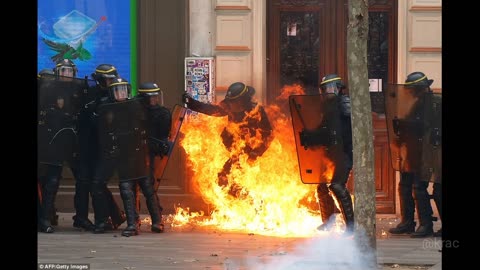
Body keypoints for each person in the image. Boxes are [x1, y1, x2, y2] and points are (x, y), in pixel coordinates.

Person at [182, 82, 274, 196]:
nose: (229, 104)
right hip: (236, 152)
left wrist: (256, 152)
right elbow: (211, 110)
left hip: (250, 154)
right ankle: (238, 204)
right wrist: (191, 103)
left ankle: (250, 206)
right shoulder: (229, 108)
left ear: (242, 101)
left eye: (233, 101)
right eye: (229, 101)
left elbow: (269, 134)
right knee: (223, 178)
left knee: (239, 182)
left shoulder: (256, 111)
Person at [75, 64, 126, 233]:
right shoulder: (89, 95)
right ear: (99, 80)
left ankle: (104, 219)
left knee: (97, 183)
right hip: (87, 145)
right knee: (86, 183)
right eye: (108, 79)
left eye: (113, 78)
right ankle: (92, 218)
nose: (111, 82)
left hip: (104, 148)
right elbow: (82, 120)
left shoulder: (116, 95)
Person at [115, 82, 170, 236]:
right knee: (127, 188)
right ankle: (133, 223)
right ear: (144, 98)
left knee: (147, 186)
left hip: (145, 154)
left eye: (156, 96)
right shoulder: (129, 110)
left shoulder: (162, 114)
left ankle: (157, 221)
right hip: (127, 153)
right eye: (152, 97)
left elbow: (162, 137)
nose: (155, 100)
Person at [387, 72, 439, 238]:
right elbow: (410, 124)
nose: (410, 93)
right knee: (404, 185)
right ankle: (407, 222)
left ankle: (426, 225)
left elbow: (430, 127)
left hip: (428, 153)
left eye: (412, 89)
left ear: (421, 89)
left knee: (419, 187)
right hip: (412, 151)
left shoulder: (435, 103)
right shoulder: (417, 104)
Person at [37, 59, 79, 233]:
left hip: (66, 142)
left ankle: (47, 217)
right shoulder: (48, 90)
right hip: (45, 142)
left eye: (69, 71)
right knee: (47, 182)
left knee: (53, 182)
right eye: (64, 71)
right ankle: (45, 218)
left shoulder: (77, 90)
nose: (67, 75)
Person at [312, 74, 355, 234]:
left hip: (345, 152)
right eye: (326, 89)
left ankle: (351, 226)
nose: (328, 91)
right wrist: (311, 136)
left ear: (338, 88)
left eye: (331, 88)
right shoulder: (328, 107)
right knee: (322, 186)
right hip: (331, 153)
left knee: (337, 185)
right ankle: (328, 222)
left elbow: (351, 129)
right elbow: (325, 129)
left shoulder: (345, 104)